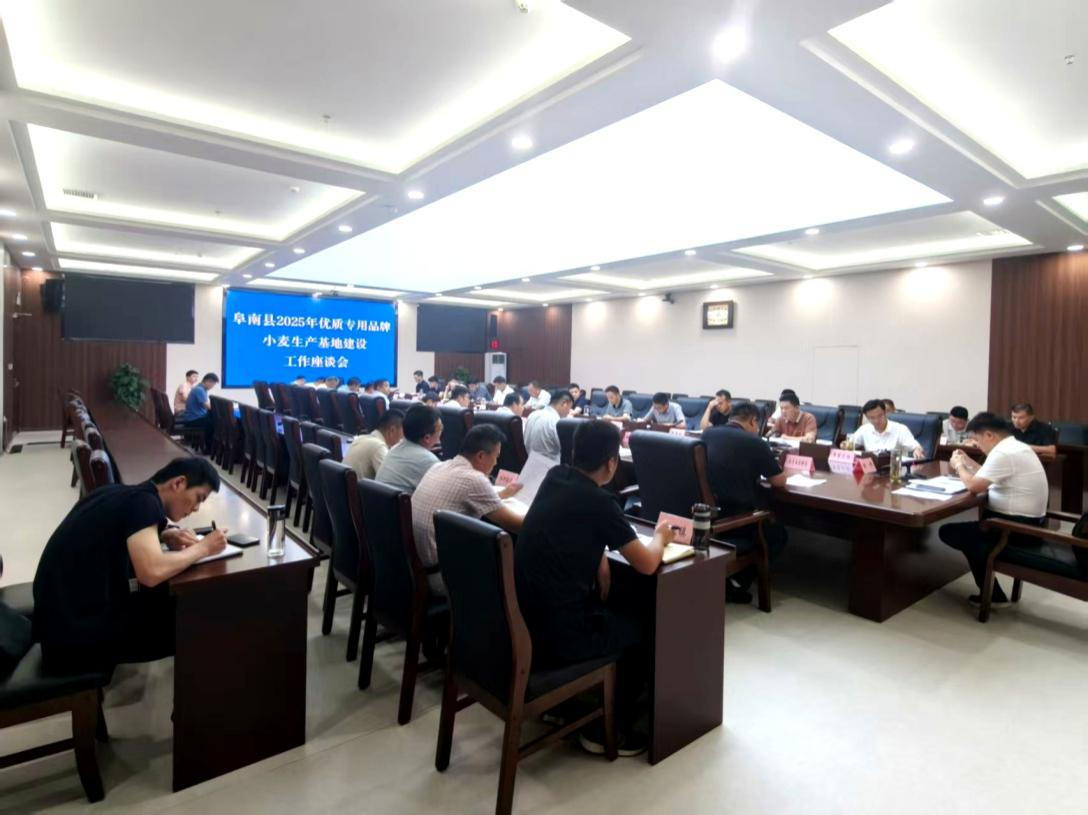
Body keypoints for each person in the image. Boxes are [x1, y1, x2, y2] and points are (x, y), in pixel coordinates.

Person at [515, 420, 673, 756]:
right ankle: (609, 729)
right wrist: (661, 537)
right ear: (612, 463)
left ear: (574, 453)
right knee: (640, 630)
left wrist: (599, 551)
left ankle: (562, 705)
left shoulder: (555, 477)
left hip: (525, 618)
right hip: (559, 633)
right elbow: (647, 563)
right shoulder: (600, 502)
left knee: (616, 606)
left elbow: (567, 524)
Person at [33, 457, 228, 673]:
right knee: (192, 618)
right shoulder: (144, 504)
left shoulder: (123, 493)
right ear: (178, 483)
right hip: (72, 637)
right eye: (199, 498)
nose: (197, 508)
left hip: (56, 621)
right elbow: (151, 572)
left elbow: (118, 532)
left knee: (169, 600)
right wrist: (204, 548)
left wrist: (163, 535)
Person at [939, 412, 1049, 606]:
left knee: (951, 532)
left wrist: (959, 466)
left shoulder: (1003, 453)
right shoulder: (1015, 447)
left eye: (976, 440)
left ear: (989, 435)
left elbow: (974, 486)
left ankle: (992, 594)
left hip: (1013, 529)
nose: (976, 445)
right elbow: (986, 475)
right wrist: (967, 461)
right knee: (971, 534)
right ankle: (992, 591)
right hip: (1028, 525)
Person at [411, 425, 525, 596]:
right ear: (481, 456)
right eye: (496, 456)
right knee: (513, 565)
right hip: (440, 575)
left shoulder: (440, 466)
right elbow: (517, 526)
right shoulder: (474, 479)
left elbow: (468, 497)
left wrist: (502, 495)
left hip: (415, 567)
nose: (496, 463)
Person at [702, 402, 788, 603]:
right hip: (738, 520)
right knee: (778, 534)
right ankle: (736, 582)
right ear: (753, 421)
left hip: (709, 515)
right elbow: (778, 481)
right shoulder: (755, 442)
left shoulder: (708, 434)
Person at [375, 404, 442, 494]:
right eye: (440, 428)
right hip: (400, 503)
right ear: (427, 438)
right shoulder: (428, 461)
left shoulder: (396, 448)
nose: (441, 432)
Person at [843, 399, 924, 457]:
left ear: (885, 413)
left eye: (880, 416)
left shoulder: (900, 429)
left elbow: (916, 447)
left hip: (895, 470)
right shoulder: (864, 429)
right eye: (872, 418)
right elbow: (849, 443)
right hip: (872, 470)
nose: (876, 420)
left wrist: (917, 450)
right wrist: (844, 445)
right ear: (867, 418)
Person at [344, 409, 405, 480]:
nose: (403, 438)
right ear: (392, 430)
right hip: (356, 487)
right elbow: (389, 479)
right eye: (403, 433)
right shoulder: (378, 447)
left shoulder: (361, 438)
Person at [523, 390, 572, 458]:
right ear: (564, 403)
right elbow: (565, 448)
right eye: (569, 408)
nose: (568, 412)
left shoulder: (532, 414)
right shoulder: (556, 421)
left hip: (529, 460)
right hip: (549, 463)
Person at [180, 372, 219, 450]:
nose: (212, 387)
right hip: (193, 420)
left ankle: (212, 447)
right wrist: (220, 409)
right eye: (213, 384)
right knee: (215, 422)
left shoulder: (200, 388)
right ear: (208, 381)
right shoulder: (199, 390)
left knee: (214, 419)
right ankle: (209, 448)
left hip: (194, 418)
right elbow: (208, 406)